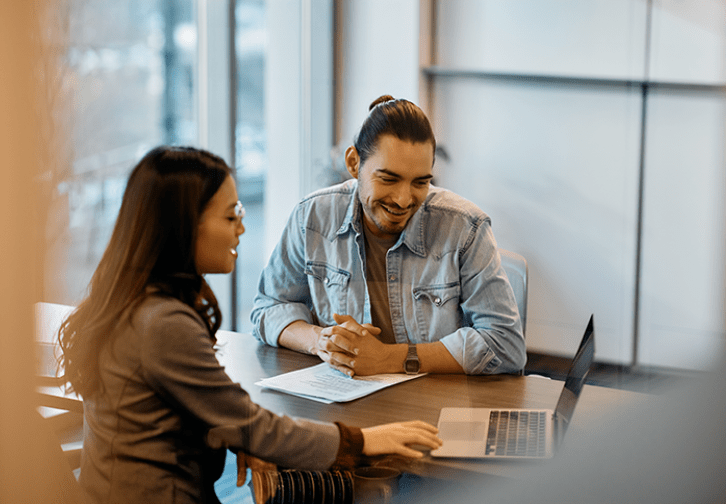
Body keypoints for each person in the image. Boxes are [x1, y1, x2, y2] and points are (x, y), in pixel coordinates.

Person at [57, 146, 442, 504]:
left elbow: (211, 412)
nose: (241, 227)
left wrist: (235, 432)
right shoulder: (163, 323)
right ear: (184, 226)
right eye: (230, 216)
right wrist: (364, 441)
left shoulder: (133, 301)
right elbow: (251, 424)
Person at [252, 95, 526, 377]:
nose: (403, 199)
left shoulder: (466, 227)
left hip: (433, 404)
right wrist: (321, 342)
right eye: (388, 179)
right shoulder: (312, 217)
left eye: (420, 182)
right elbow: (269, 307)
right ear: (353, 163)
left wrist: (391, 359)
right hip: (345, 400)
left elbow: (505, 345)